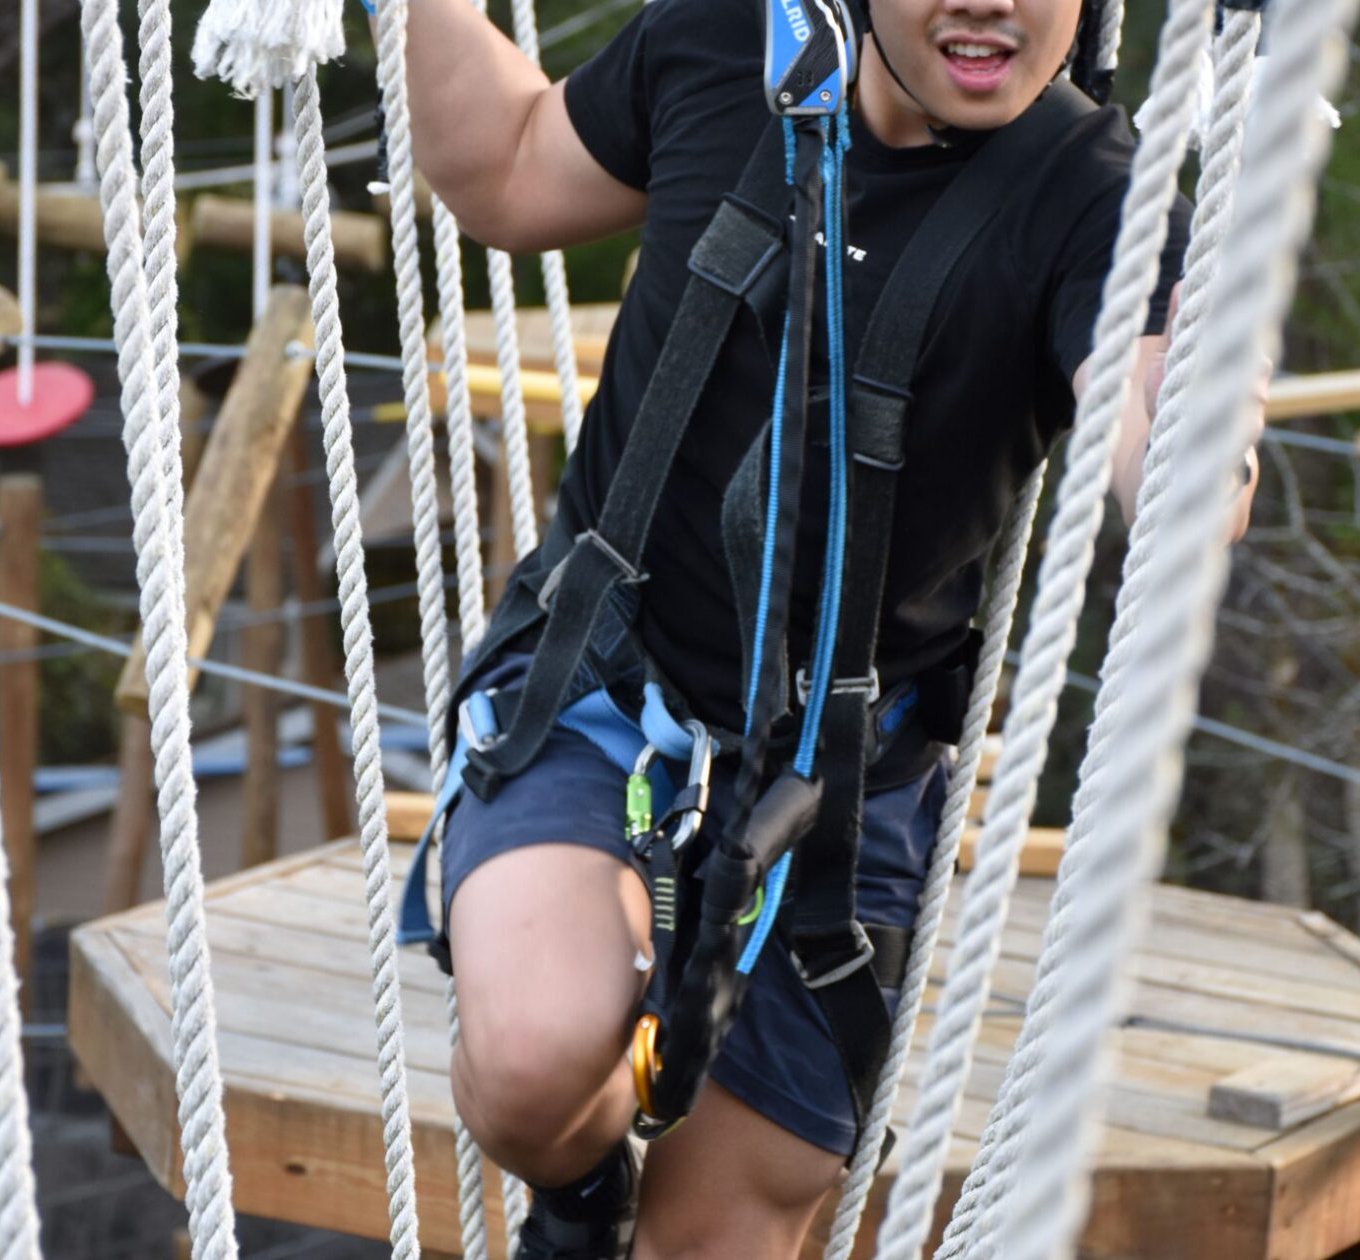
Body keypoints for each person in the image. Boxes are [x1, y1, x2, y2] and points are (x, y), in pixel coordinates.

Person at [394, 0, 1258, 1255]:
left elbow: (1157, 426)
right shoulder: (720, 49)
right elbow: (514, 171)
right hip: (607, 690)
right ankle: (578, 1203)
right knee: (535, 1061)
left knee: (726, 1229)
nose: (993, 2)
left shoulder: (1096, 200)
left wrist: (1202, 417)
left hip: (841, 789)